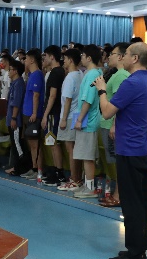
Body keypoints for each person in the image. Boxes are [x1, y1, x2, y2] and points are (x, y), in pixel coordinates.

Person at [94, 42, 147, 259]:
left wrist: (102, 89)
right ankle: (139, 248)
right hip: (143, 147)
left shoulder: (132, 83)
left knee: (131, 204)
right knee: (141, 202)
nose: (123, 57)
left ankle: (134, 253)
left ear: (135, 58)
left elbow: (107, 111)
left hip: (130, 148)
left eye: (126, 54)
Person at [98, 42, 130, 206]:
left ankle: (119, 195)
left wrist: (114, 125)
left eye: (112, 54)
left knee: (118, 162)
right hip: (107, 123)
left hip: (112, 124)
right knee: (114, 162)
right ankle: (116, 193)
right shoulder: (116, 74)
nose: (108, 57)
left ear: (120, 57)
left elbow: (119, 104)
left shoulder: (121, 75)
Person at [72, 44, 103, 198]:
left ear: (89, 58)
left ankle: (90, 188)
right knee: (85, 154)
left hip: (88, 121)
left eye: (83, 56)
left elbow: (88, 100)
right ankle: (87, 184)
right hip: (87, 120)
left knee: (88, 156)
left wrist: (79, 119)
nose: (81, 58)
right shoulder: (92, 73)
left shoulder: (92, 74)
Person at [56, 49, 84, 191]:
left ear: (71, 60)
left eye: (65, 59)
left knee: (71, 150)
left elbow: (67, 100)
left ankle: (74, 179)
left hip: (69, 117)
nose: (64, 62)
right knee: (76, 150)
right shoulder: (81, 74)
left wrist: (63, 119)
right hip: (78, 115)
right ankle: (77, 178)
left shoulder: (70, 78)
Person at [40, 45, 65, 186]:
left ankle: (58, 173)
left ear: (52, 57)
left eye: (46, 56)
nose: (44, 58)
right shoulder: (59, 71)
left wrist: (45, 115)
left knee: (53, 143)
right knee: (52, 143)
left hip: (52, 114)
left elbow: (52, 95)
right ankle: (56, 171)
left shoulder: (56, 73)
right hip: (54, 112)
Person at [21, 49, 45, 181]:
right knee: (31, 144)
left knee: (36, 144)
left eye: (26, 58)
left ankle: (38, 170)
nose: (24, 61)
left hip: (33, 114)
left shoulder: (37, 75)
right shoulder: (31, 74)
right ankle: (33, 167)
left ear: (32, 60)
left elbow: (36, 95)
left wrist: (35, 113)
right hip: (27, 113)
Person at [4, 60, 31, 176]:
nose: (8, 72)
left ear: (15, 71)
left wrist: (14, 118)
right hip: (11, 118)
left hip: (16, 120)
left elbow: (17, 103)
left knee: (18, 145)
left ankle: (20, 168)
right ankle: (15, 166)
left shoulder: (19, 84)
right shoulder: (14, 83)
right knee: (15, 144)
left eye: (10, 69)